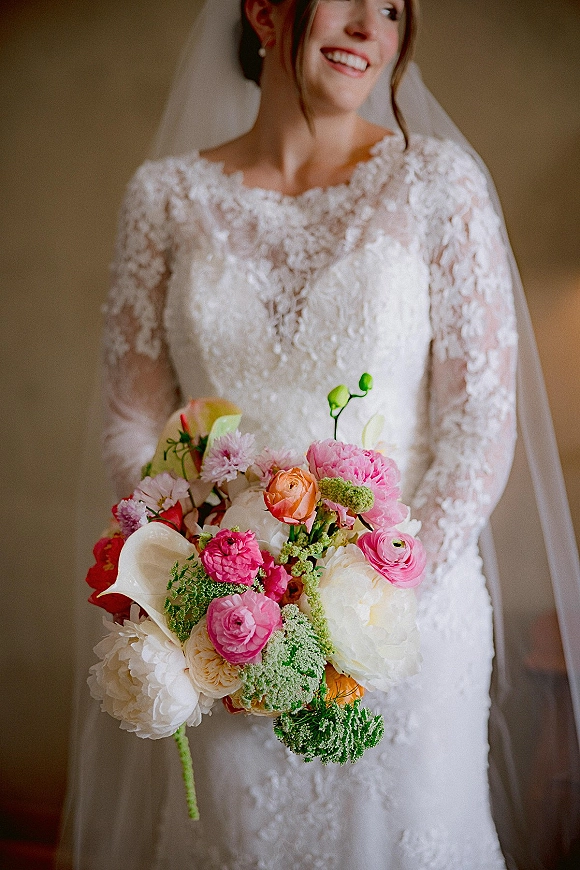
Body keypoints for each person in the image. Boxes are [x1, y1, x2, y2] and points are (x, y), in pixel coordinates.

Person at [58, 1, 580, 868]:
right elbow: (132, 421)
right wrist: (199, 583)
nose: (371, 27)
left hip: (404, 618)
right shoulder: (166, 198)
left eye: (393, 9)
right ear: (265, 9)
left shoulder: (438, 183)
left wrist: (380, 592)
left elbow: (480, 417)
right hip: (221, 630)